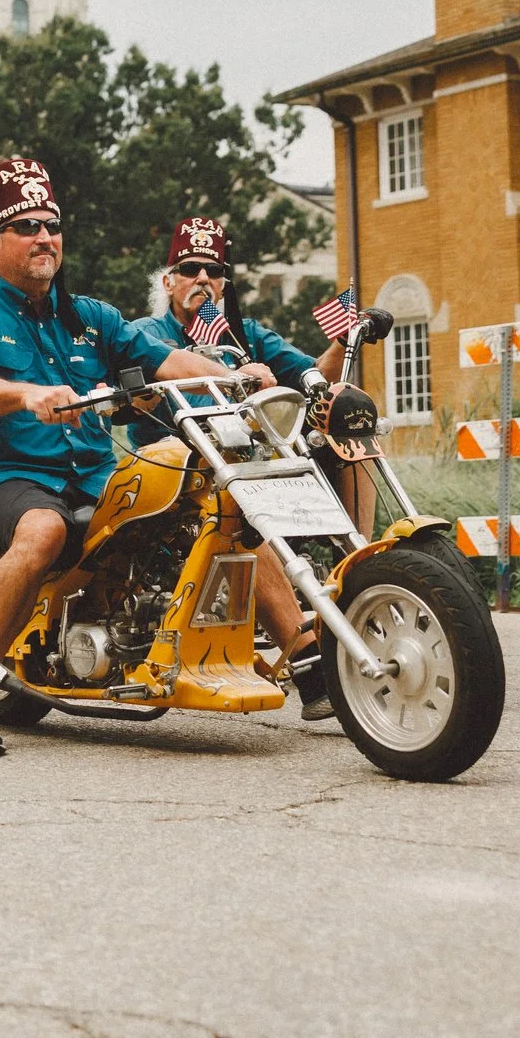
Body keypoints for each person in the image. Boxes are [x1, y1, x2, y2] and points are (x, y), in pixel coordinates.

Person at [0, 158, 235, 759]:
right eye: (26, 227)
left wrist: (235, 374)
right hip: (5, 478)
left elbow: (166, 360)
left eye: (52, 225)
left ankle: (308, 657)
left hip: (96, 477)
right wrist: (27, 394)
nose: (44, 237)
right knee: (42, 529)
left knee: (217, 496)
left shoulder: (92, 318)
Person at [122, 217, 358, 721]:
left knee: (343, 436)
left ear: (224, 283)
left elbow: (311, 374)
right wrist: (229, 373)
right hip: (174, 472)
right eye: (190, 269)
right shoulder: (145, 333)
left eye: (214, 270)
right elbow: (136, 379)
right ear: (169, 281)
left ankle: (363, 577)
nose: (202, 279)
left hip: (252, 463)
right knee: (243, 512)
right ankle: (311, 664)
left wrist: (346, 340)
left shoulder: (245, 333)